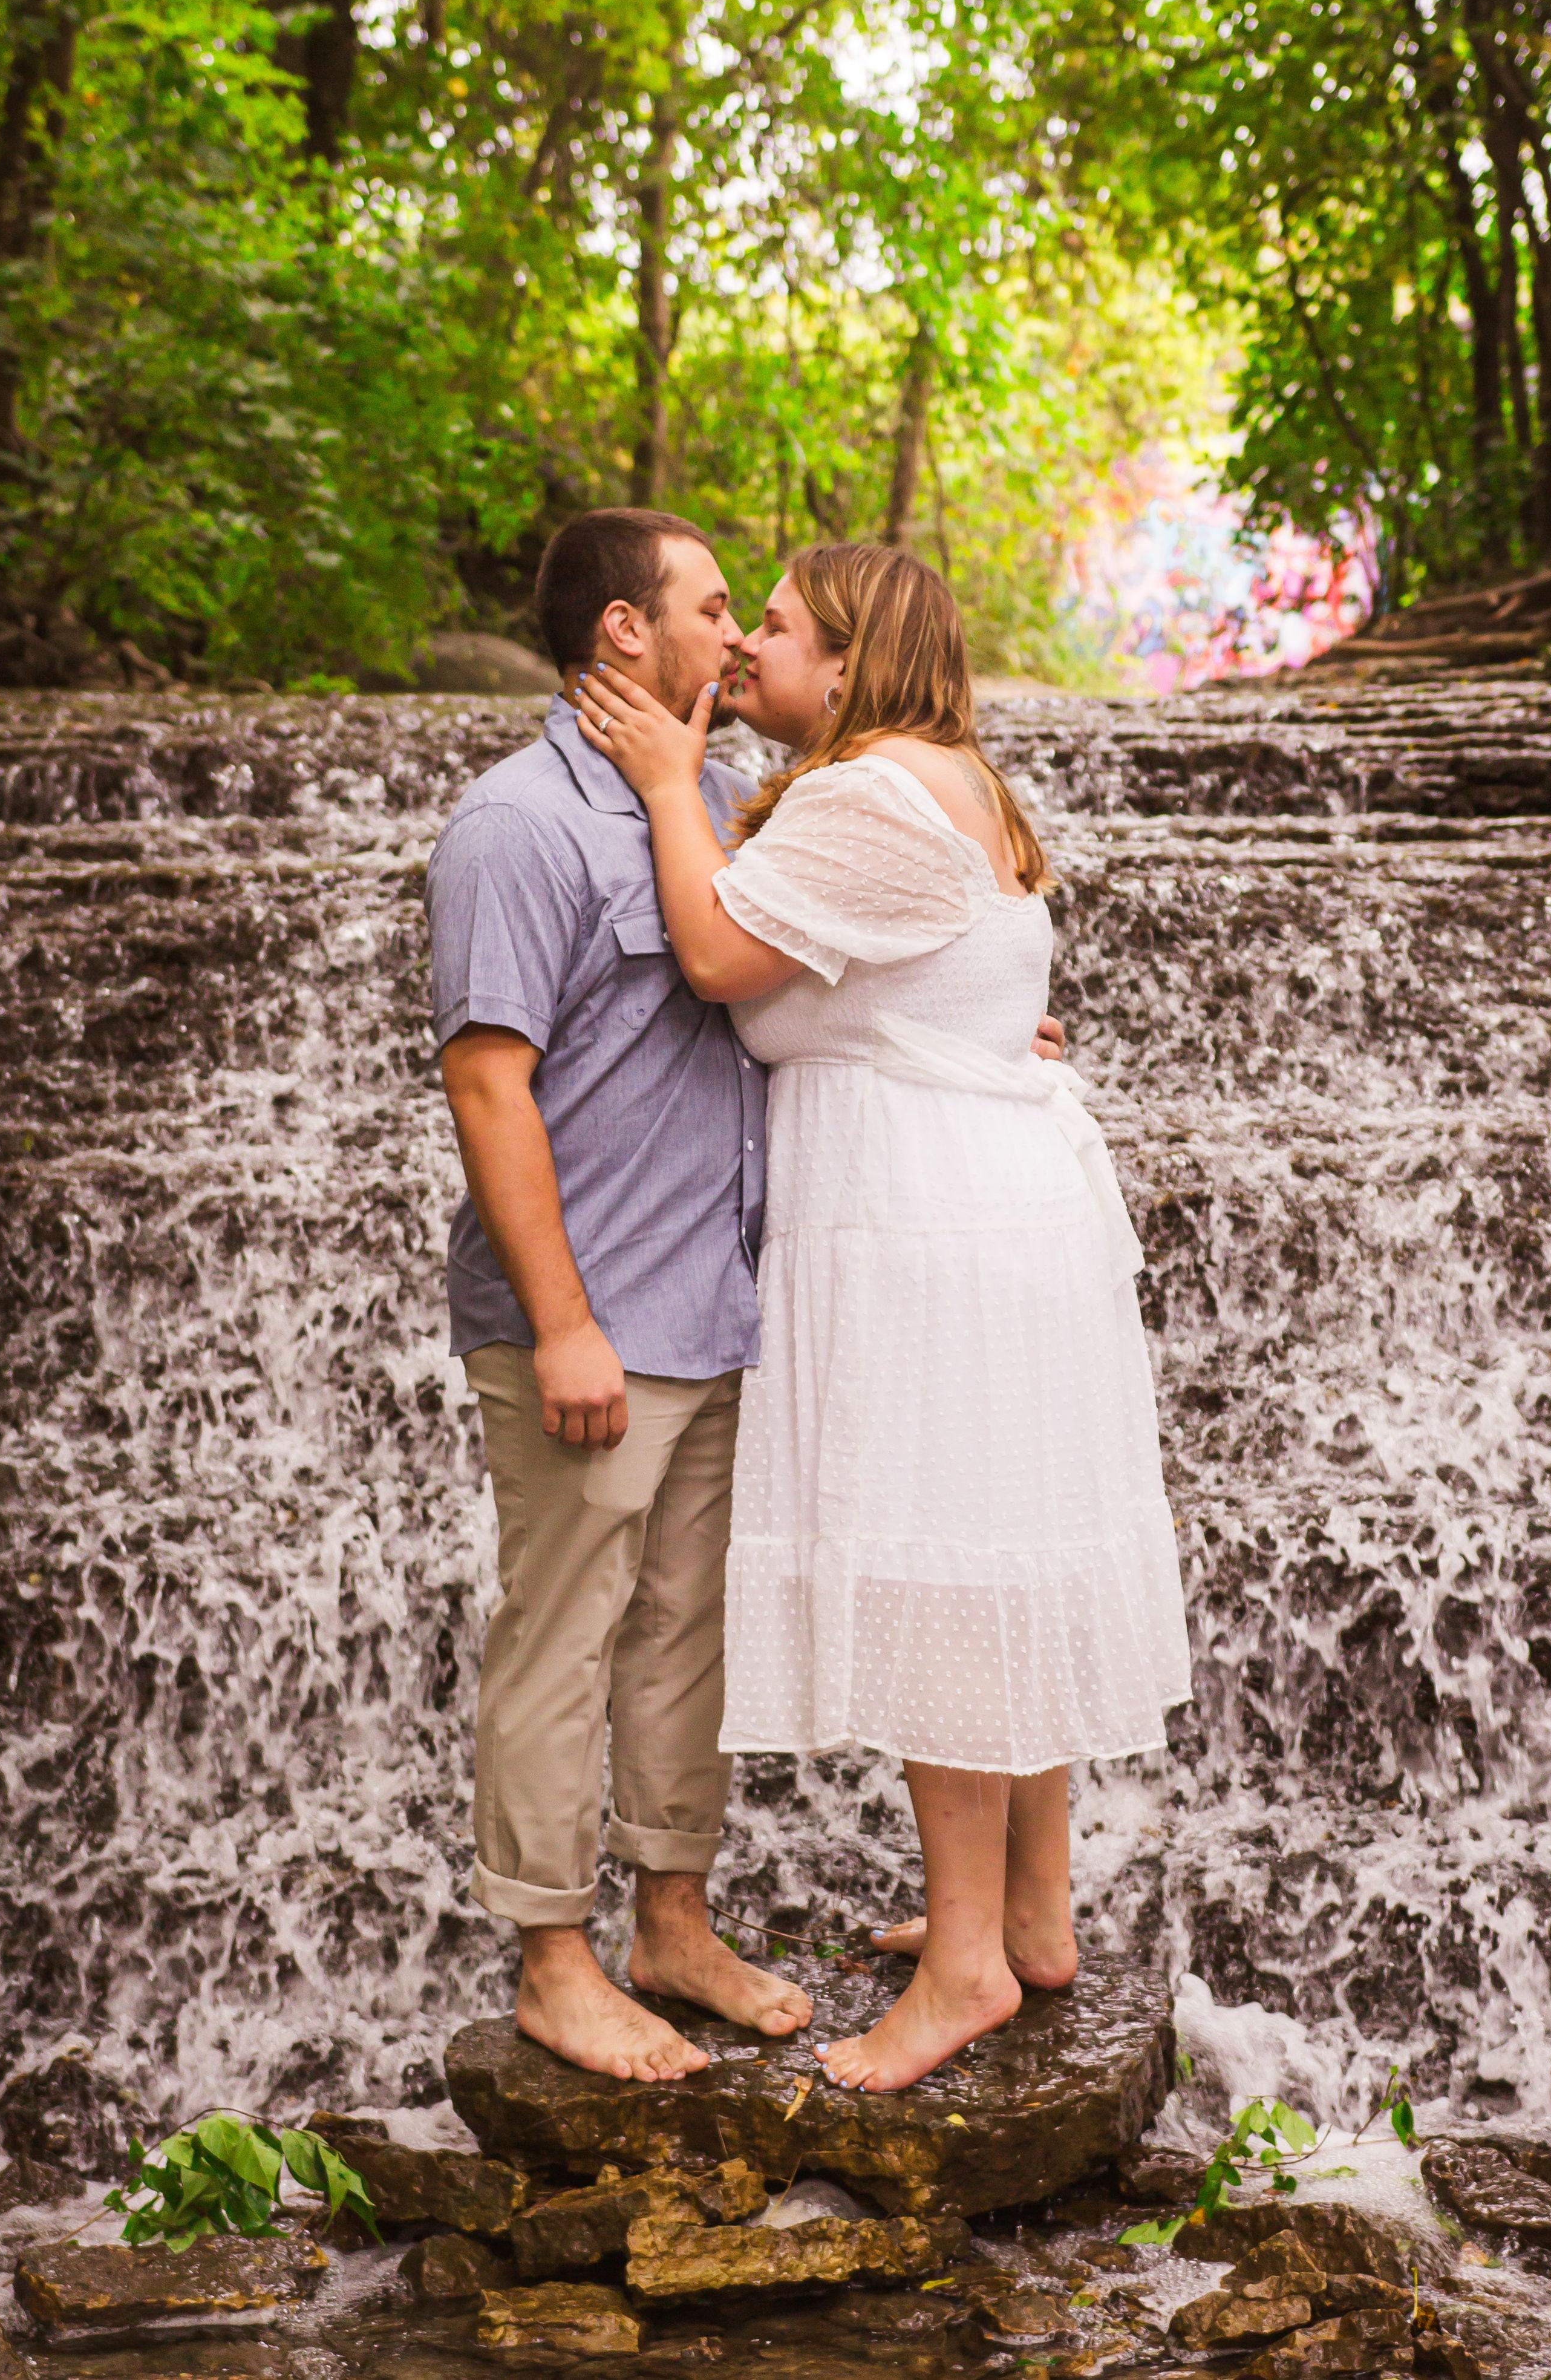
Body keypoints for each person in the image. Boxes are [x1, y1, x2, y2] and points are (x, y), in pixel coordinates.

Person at [425, 509, 1070, 2082]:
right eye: (716, 610)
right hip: (584, 1311)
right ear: (623, 637)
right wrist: (560, 1314)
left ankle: (671, 1918)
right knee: (561, 1637)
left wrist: (970, 1035)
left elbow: (853, 959)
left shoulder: (720, 796)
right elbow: (489, 1086)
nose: (738, 636)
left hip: (722, 1302)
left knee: (680, 1640)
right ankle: (551, 1958)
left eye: (755, 616)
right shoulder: (514, 828)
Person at [574, 541, 1193, 2091]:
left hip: (927, 1225)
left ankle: (970, 1971)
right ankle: (1033, 1919)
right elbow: (954, 986)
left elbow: (719, 957)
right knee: (993, 1556)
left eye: (772, 629)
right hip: (991, 1208)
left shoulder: (864, 794)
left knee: (941, 1570)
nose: (743, 651)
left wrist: (664, 779)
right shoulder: (955, 780)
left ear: (849, 664)